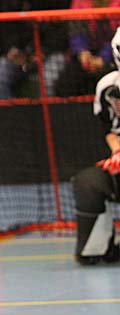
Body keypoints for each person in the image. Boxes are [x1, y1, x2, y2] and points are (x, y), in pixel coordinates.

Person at [72, 27, 120, 266]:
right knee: (88, 183)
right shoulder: (108, 86)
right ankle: (99, 248)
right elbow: (108, 128)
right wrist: (117, 151)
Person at [0, 0, 69, 99]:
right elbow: (4, 35)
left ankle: (50, 109)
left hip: (50, 54)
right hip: (21, 57)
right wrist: (12, 50)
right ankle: (9, 109)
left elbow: (60, 36)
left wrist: (43, 52)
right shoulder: (9, 5)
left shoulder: (49, 4)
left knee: (49, 78)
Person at [55, 0, 120, 97]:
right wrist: (82, 52)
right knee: (66, 82)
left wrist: (104, 58)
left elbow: (117, 37)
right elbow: (77, 31)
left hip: (114, 55)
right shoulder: (80, 3)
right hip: (87, 54)